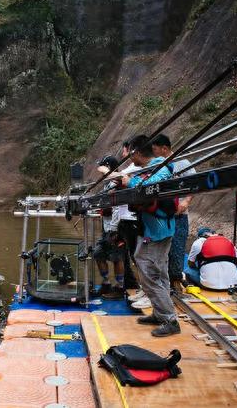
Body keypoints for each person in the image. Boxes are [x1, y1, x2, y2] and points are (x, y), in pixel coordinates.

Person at [120, 135, 180, 337]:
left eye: (130, 153)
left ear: (136, 152)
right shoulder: (151, 168)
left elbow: (145, 189)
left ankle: (170, 320)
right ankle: (159, 312)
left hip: (159, 231)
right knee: (157, 270)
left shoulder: (160, 168)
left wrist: (129, 182)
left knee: (149, 273)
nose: (129, 158)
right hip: (154, 229)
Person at [151, 134, 196, 294]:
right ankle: (162, 284)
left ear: (164, 148)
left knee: (177, 248)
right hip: (159, 217)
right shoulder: (155, 165)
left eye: (156, 150)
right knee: (160, 250)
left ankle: (175, 282)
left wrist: (186, 202)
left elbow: (194, 183)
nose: (154, 153)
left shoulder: (182, 163)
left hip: (178, 215)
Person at [94, 155, 127, 299]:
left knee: (117, 257)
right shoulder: (107, 184)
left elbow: (118, 208)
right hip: (106, 226)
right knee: (98, 253)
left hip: (117, 227)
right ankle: (106, 283)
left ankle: (120, 287)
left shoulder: (119, 183)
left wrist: (115, 229)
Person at [112, 139, 141, 292]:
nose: (123, 154)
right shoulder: (132, 167)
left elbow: (121, 177)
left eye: (125, 151)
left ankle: (143, 288)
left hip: (132, 219)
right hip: (125, 219)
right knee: (127, 254)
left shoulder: (135, 168)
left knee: (136, 255)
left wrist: (105, 171)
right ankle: (131, 284)